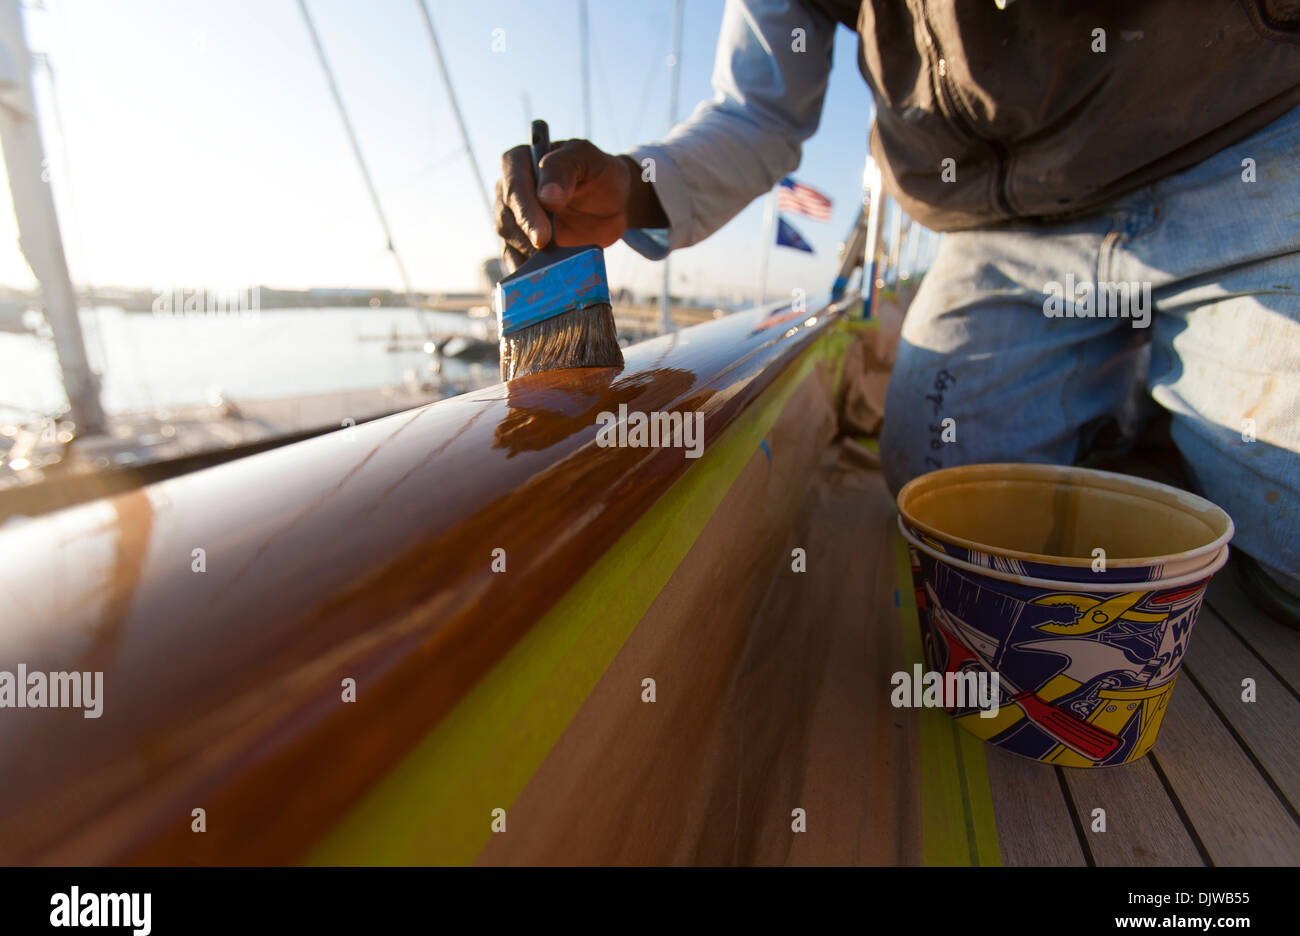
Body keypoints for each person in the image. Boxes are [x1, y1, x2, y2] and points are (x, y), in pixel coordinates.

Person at [494, 0, 1300, 625]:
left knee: (1292, 558)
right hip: (1010, 230)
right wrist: (635, 187)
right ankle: (1133, 393)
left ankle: (1148, 384)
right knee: (943, 499)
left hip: (1244, 158)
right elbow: (757, 113)